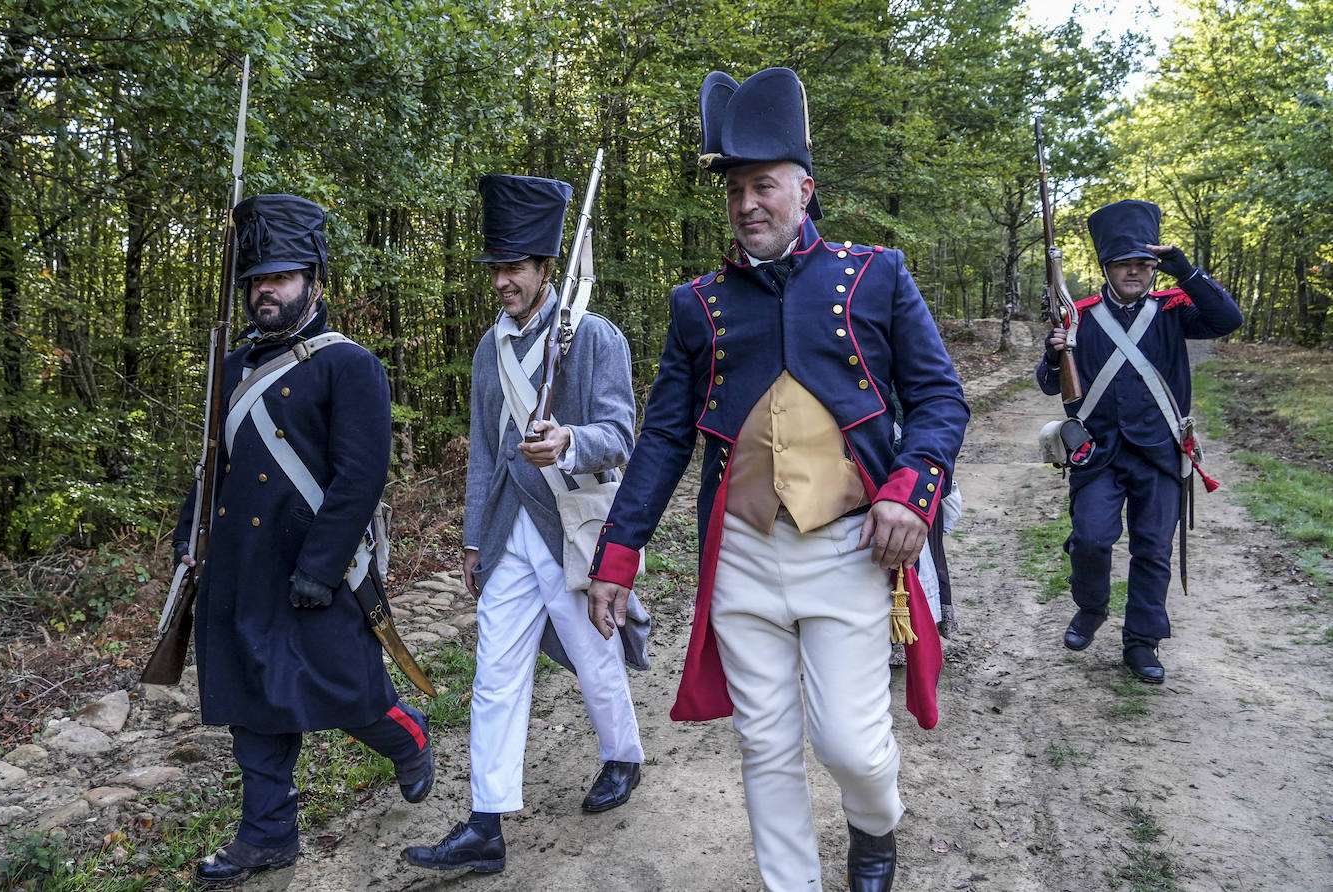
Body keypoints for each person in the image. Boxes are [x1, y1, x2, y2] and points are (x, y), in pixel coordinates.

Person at [586, 68, 969, 892]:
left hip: (851, 553)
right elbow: (661, 438)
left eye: (764, 185)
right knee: (765, 743)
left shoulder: (879, 275)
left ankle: (874, 829)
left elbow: (940, 398)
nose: (747, 203)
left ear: (805, 189)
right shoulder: (697, 305)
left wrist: (912, 487)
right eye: (735, 190)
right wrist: (618, 554)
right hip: (745, 562)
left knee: (852, 748)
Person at [172, 194, 434, 888]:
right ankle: (267, 836)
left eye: (281, 277)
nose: (266, 290)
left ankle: (408, 739)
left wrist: (319, 566)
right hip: (241, 569)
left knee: (349, 692)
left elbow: (360, 477)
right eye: (257, 280)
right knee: (250, 707)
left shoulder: (349, 366)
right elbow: (212, 466)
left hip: (318, 567)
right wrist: (186, 543)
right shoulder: (230, 369)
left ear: (313, 281)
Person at [403, 174, 645, 875]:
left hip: (570, 525)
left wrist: (569, 439)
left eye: (515, 268)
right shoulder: (488, 349)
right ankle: (486, 821)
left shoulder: (592, 336)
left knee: (594, 656)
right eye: (496, 269)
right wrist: (474, 539)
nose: (503, 281)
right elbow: (484, 452)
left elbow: (622, 434)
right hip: (510, 529)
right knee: (496, 673)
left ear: (545, 268)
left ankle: (623, 755)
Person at [1036, 199, 1243, 683]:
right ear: (1107, 267)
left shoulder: (1173, 310)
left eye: (1145, 264)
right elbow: (1050, 384)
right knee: (1090, 538)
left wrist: (1185, 271)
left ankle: (1142, 641)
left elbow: (1227, 320)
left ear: (1155, 268)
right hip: (1098, 453)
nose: (1136, 272)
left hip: (1160, 454)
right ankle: (1091, 606)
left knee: (1152, 549)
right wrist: (1053, 355)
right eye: (1125, 264)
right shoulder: (1079, 315)